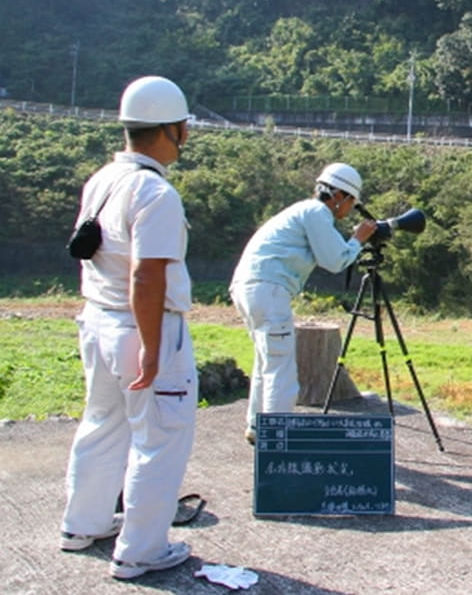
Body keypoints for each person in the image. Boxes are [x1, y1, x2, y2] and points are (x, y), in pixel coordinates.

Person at [60, 75, 198, 580]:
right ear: (169, 129)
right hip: (143, 326)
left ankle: (83, 524)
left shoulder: (102, 180)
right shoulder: (155, 192)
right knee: (160, 437)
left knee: (102, 424)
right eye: (183, 126)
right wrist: (153, 349)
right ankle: (141, 550)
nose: (186, 134)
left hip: (98, 319)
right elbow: (147, 274)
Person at [230, 162, 377, 444]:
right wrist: (358, 240)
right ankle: (277, 439)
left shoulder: (301, 210)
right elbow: (334, 260)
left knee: (267, 361)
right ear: (338, 196)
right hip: (269, 289)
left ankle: (257, 427)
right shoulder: (316, 212)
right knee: (282, 369)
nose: (350, 209)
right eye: (352, 202)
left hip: (249, 287)